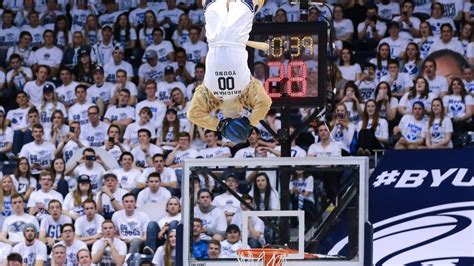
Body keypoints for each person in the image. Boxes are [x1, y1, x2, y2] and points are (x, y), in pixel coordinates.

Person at [187, 0, 271, 143]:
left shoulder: (246, 91)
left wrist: (251, 122)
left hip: (237, 35)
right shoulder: (209, 94)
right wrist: (218, 125)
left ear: (241, 115)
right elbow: (193, 114)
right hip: (215, 35)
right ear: (224, 119)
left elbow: (265, 103)